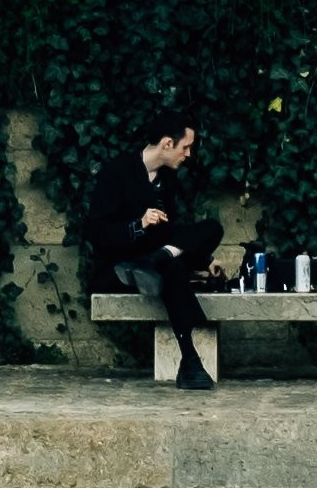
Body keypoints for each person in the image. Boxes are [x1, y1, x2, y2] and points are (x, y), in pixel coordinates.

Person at [77, 115, 231, 385]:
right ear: (167, 143)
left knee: (211, 229)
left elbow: (171, 230)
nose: (188, 154)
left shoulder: (167, 178)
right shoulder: (118, 171)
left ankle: (160, 258)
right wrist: (138, 225)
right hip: (121, 265)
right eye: (185, 147)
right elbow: (96, 233)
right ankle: (190, 360)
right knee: (173, 267)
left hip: (155, 256)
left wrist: (205, 259)